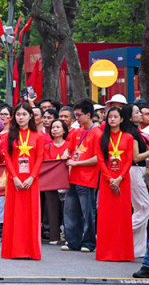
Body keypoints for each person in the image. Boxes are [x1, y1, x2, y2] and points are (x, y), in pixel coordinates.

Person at [1, 102, 44, 260]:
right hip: (15, 181)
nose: (21, 117)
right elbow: (7, 157)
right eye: (18, 114)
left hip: (31, 181)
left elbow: (39, 158)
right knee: (14, 214)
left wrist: (32, 177)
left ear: (30, 116)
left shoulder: (38, 136)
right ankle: (14, 250)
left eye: (24, 114)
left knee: (30, 214)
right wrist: (15, 178)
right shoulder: (9, 136)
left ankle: (30, 250)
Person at [95, 107, 137, 262]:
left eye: (115, 117)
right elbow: (100, 159)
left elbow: (128, 160)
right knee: (106, 217)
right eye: (110, 117)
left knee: (122, 216)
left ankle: (122, 252)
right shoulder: (102, 138)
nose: (112, 119)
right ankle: (105, 252)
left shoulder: (128, 137)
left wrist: (119, 178)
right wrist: (109, 178)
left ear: (121, 119)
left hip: (123, 181)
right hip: (107, 182)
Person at [61, 99, 100, 253]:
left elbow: (98, 159)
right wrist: (65, 154)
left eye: (79, 115)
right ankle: (73, 241)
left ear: (88, 115)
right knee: (70, 211)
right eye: (75, 115)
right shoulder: (76, 132)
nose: (76, 118)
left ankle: (89, 242)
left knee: (87, 212)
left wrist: (76, 164)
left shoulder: (97, 133)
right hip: (72, 178)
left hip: (87, 179)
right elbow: (69, 150)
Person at [122, 104, 149, 257]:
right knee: (145, 209)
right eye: (137, 112)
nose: (140, 114)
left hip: (139, 170)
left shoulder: (136, 132)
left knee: (141, 209)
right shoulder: (131, 133)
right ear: (129, 116)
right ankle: (121, 232)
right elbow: (136, 157)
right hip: (135, 170)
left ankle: (138, 250)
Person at [43, 119, 69, 245]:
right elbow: (48, 164)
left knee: (67, 209)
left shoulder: (69, 146)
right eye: (53, 127)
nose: (55, 129)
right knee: (52, 208)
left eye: (58, 127)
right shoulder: (47, 147)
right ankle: (54, 236)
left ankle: (68, 236)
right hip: (51, 181)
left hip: (66, 181)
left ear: (64, 130)